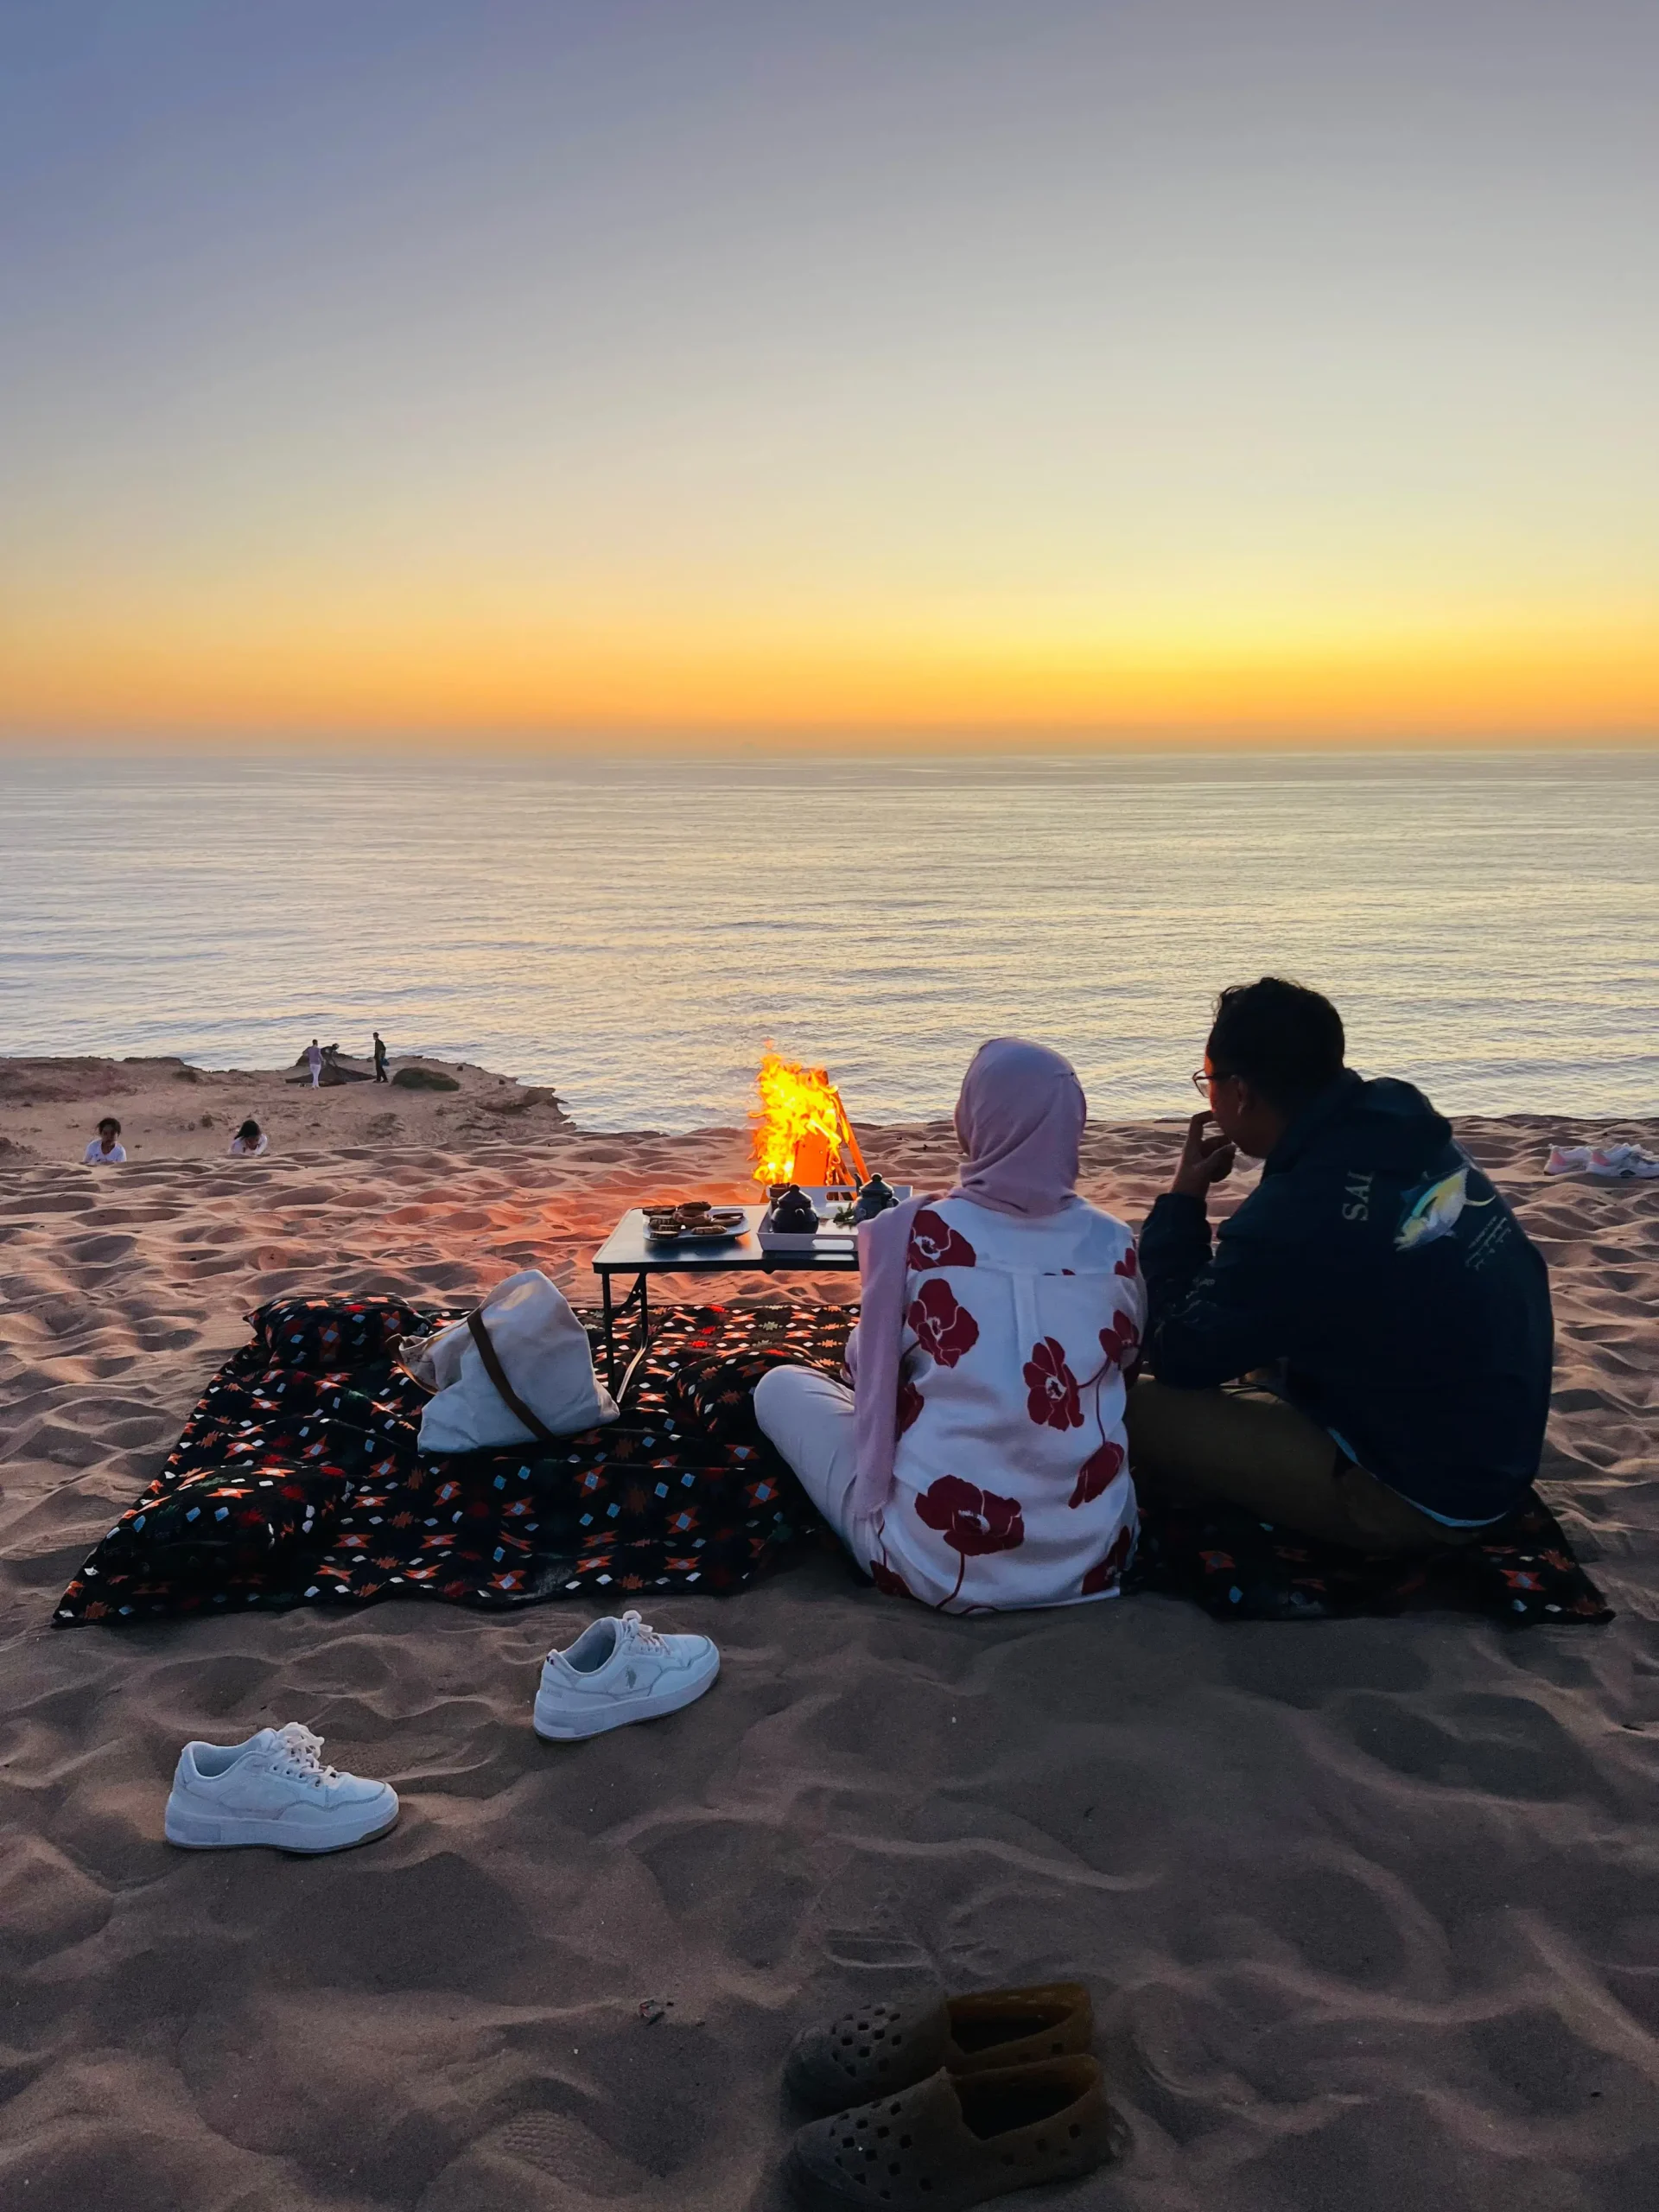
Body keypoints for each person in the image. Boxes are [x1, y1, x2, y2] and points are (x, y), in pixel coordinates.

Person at [1129, 977, 1554, 1550]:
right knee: (1253, 1342)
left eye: (1208, 1082)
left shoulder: (1301, 1212)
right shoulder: (1396, 1121)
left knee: (1122, 1407)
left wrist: (1181, 1204)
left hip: (1422, 1493)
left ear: (1242, 1092)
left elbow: (1179, 1350)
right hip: (1491, 1446)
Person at [753, 1039, 1144, 1612]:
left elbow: (866, 1374)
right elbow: (1126, 1369)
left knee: (778, 1387)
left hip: (931, 1563)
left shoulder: (918, 1234)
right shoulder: (1115, 1244)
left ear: (972, 1119)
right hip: (1094, 1559)